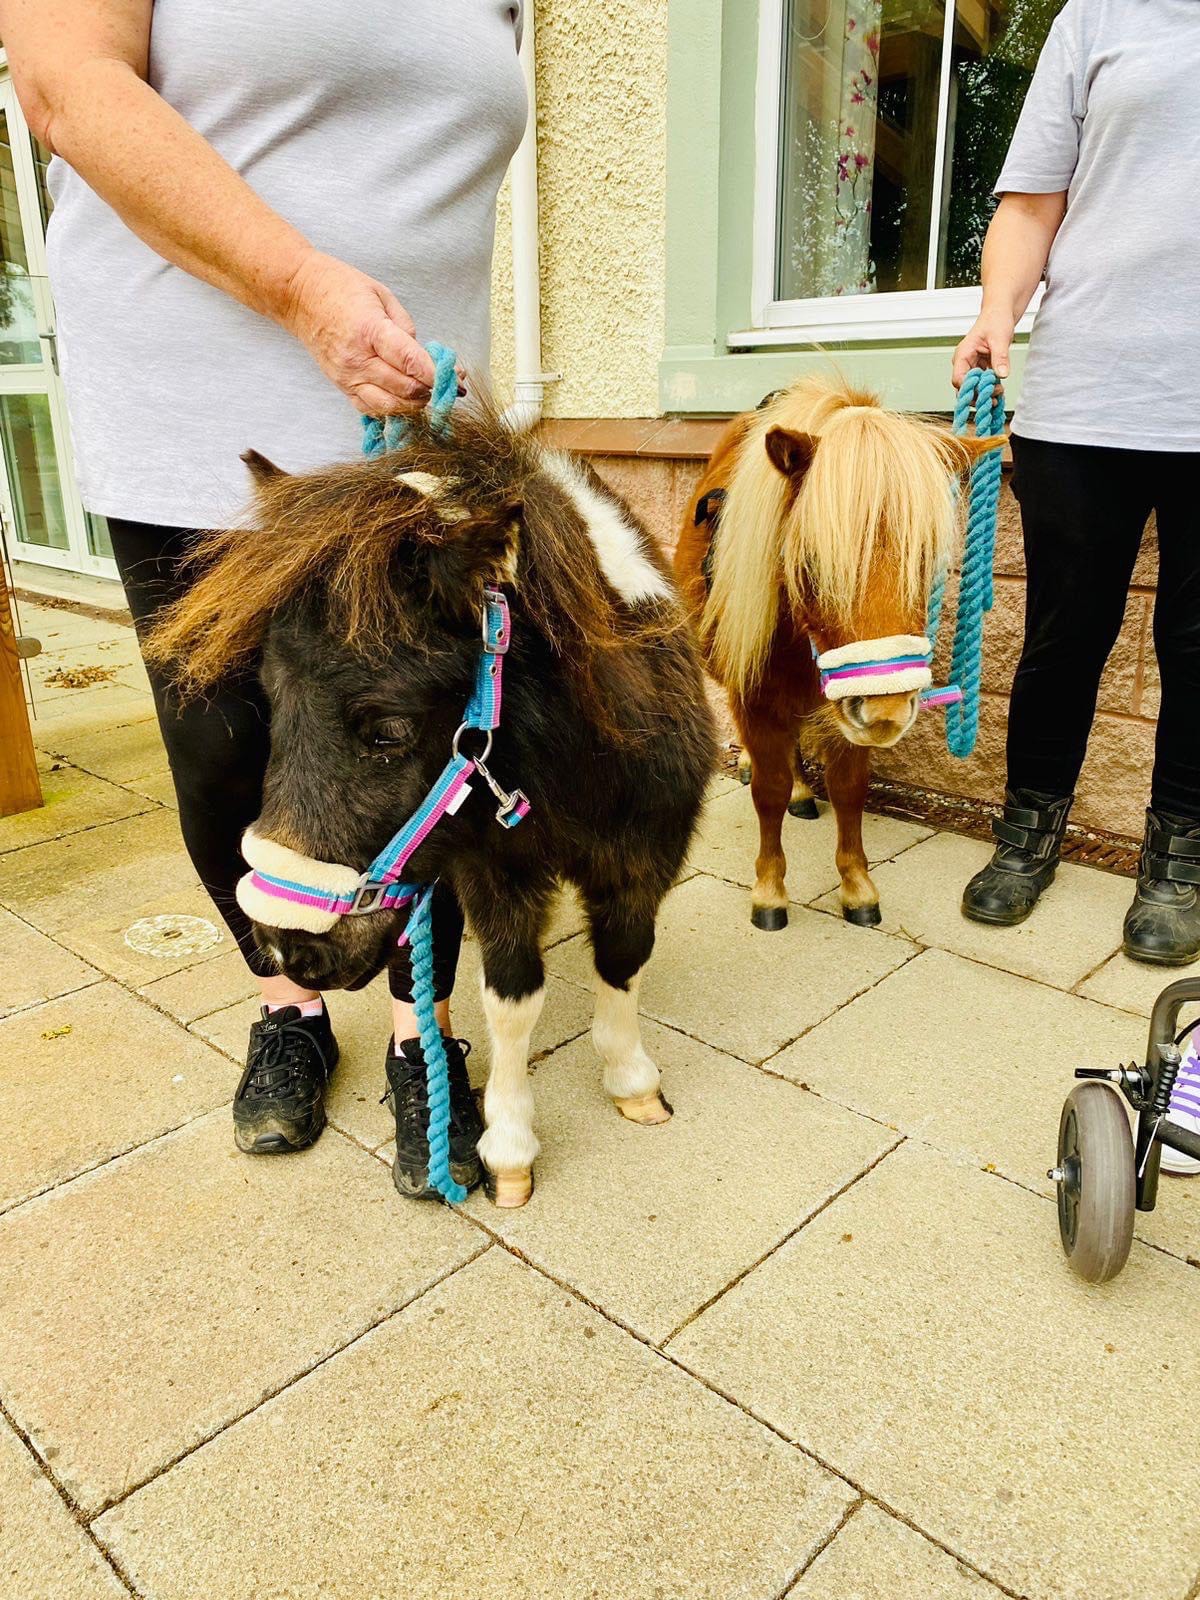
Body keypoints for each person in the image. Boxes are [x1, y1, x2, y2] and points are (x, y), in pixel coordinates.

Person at [2, 0, 527, 1194]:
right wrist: (296, 285)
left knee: (426, 758)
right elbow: (67, 89)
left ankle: (416, 1028)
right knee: (230, 750)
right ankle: (286, 1000)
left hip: (415, 433)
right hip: (203, 412)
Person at [952, 0, 1200, 1172]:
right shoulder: (1097, 14)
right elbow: (1032, 202)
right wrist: (997, 313)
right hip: (1092, 390)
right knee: (1063, 635)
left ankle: (1178, 857)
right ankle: (1029, 828)